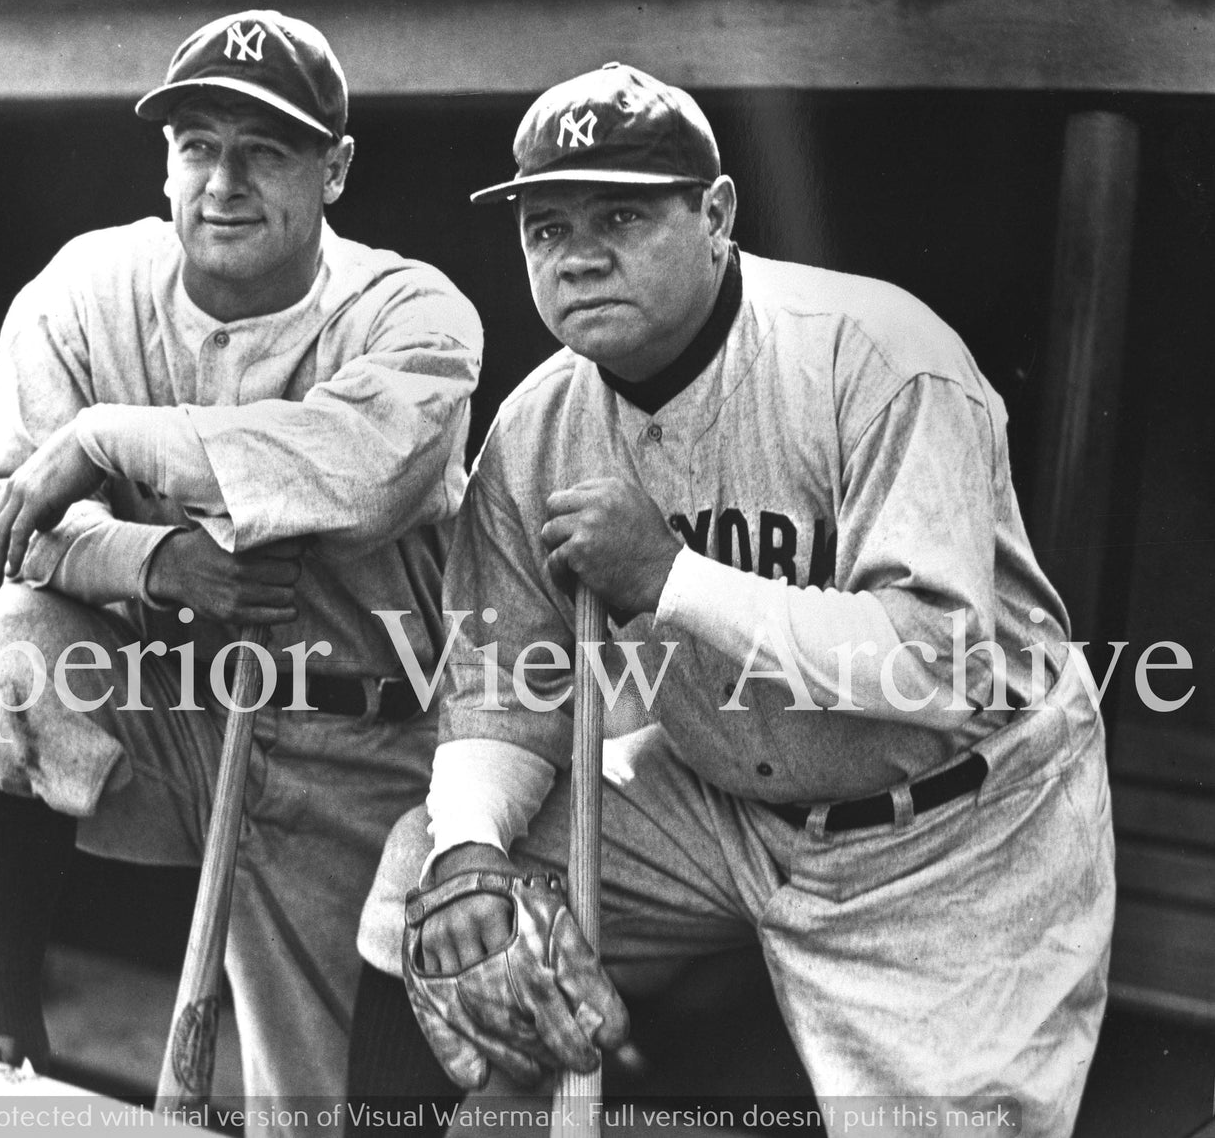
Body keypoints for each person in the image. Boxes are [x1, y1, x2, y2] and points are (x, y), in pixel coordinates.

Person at [352, 63, 1114, 1137]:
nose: (576, 254)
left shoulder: (879, 359)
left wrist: (671, 577)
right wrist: (471, 844)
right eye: (545, 226)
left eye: (619, 213)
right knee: (428, 884)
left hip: (957, 830)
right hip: (719, 810)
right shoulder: (533, 432)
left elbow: (936, 662)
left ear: (715, 214)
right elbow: (501, 684)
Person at [0, 8, 481, 1122]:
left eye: (264, 150)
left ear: (335, 169)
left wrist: (105, 439)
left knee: (306, 1113)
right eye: (197, 145)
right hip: (185, 716)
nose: (222, 182)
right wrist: (153, 560)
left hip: (372, 744)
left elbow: (363, 476)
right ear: (165, 161)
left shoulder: (408, 309)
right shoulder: (86, 289)